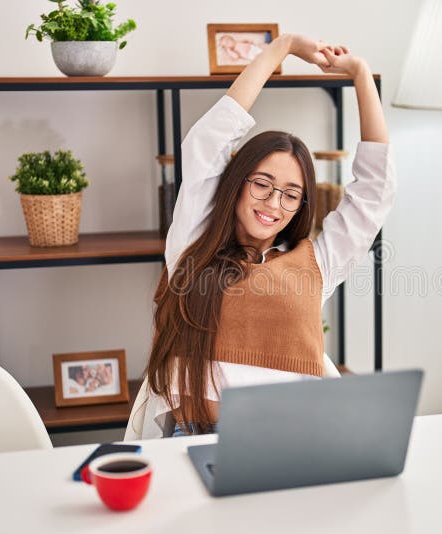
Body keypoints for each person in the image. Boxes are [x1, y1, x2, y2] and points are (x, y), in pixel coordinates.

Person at [142, 33, 394, 438]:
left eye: (291, 194)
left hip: (291, 442)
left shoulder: (315, 262)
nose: (273, 203)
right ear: (238, 182)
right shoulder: (193, 244)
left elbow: (374, 193)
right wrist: (284, 47)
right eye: (262, 183)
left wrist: (361, 75)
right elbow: (207, 143)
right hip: (197, 441)